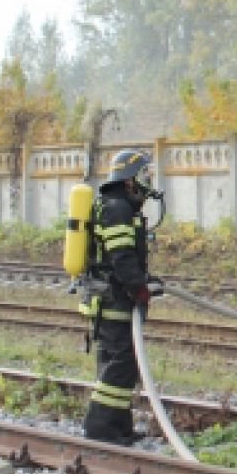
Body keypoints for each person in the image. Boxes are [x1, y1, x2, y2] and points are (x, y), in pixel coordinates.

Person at [81, 149, 162, 445]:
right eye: (143, 175)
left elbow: (121, 257)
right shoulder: (118, 209)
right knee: (122, 363)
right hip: (114, 301)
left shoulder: (116, 205)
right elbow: (121, 256)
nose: (147, 182)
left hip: (111, 297)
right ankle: (101, 428)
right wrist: (138, 287)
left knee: (117, 363)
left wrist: (145, 282)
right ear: (129, 180)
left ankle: (118, 428)